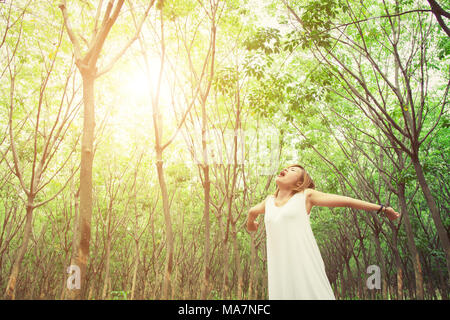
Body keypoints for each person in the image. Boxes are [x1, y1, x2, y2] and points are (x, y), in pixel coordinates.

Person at [246, 164, 400, 300]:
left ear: (299, 182)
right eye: (287, 167)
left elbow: (346, 201)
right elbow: (252, 212)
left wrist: (382, 208)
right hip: (280, 272)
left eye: (292, 170)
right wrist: (251, 224)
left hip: (305, 266)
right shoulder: (268, 201)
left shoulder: (305, 196)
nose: (286, 169)